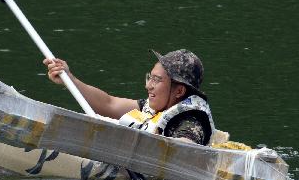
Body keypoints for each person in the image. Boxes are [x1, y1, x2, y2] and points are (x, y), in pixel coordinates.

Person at [43, 49, 215, 145]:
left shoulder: (191, 122)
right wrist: (69, 79)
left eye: (157, 80)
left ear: (179, 92)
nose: (148, 85)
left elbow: (187, 148)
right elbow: (108, 104)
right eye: (150, 77)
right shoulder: (154, 109)